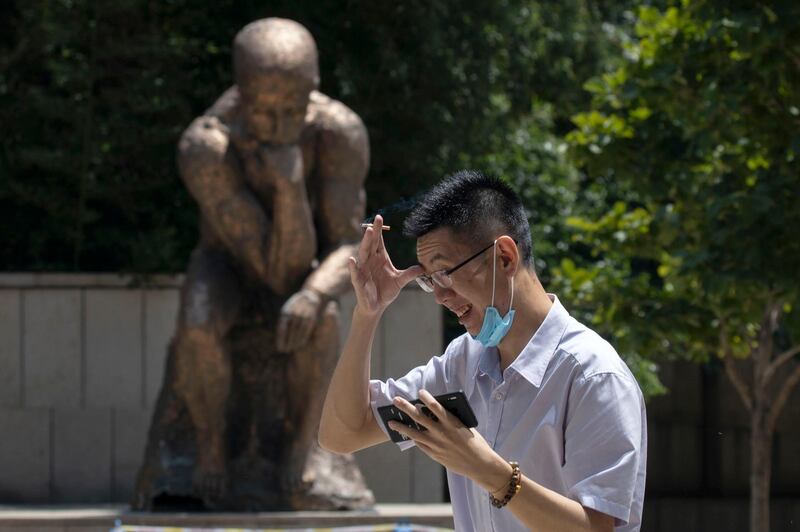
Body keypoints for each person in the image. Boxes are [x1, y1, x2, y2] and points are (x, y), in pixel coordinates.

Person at [319, 170, 647, 531]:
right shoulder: (462, 362)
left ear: (505, 256)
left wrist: (489, 471)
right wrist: (367, 315)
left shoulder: (594, 376)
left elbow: (597, 528)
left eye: (445, 273)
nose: (441, 296)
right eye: (429, 281)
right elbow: (343, 434)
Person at [137, 18, 370, 508]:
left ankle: (307, 449)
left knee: (322, 320)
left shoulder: (339, 133)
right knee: (198, 319)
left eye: (293, 109)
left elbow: (349, 243)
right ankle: (210, 448)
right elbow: (270, 268)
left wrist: (311, 293)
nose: (281, 127)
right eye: (266, 113)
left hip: (303, 271)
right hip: (230, 266)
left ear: (315, 88)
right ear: (241, 97)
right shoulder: (206, 147)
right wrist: (288, 188)